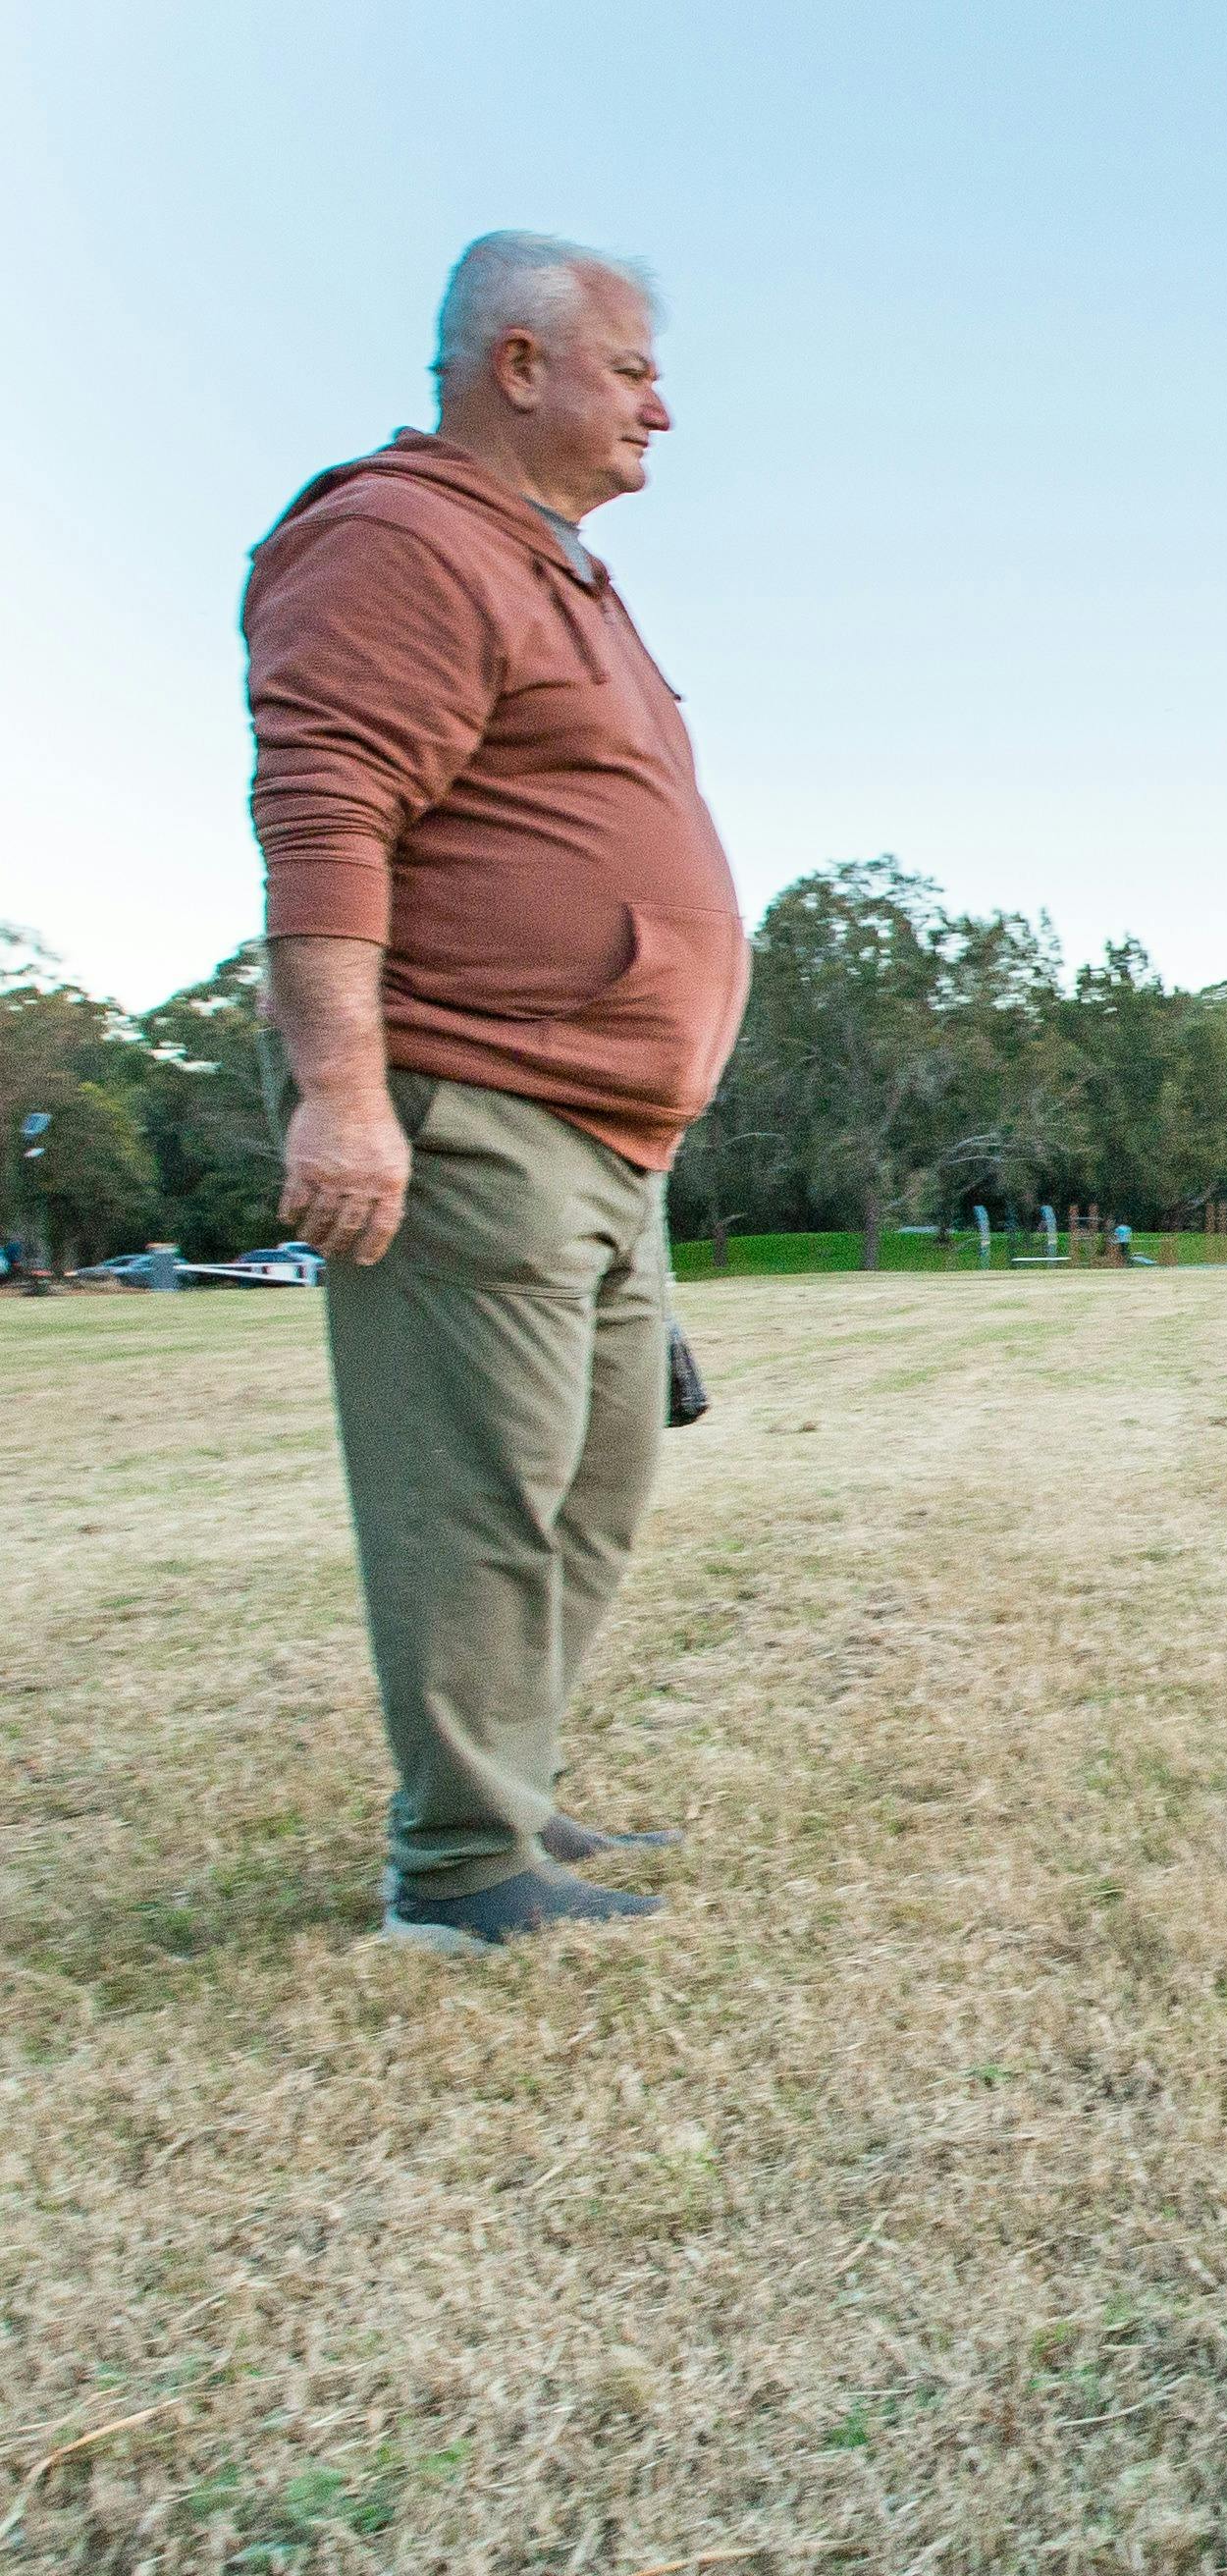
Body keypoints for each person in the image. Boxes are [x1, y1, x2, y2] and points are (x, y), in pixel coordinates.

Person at [245, 232, 744, 1948]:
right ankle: (459, 1870)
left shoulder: (555, 570)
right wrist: (342, 1092)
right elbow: (327, 813)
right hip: (475, 1099)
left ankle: (511, 1798)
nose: (661, 409)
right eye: (632, 370)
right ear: (517, 365)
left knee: (593, 1485)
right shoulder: (399, 537)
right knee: (476, 1494)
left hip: (608, 1133)